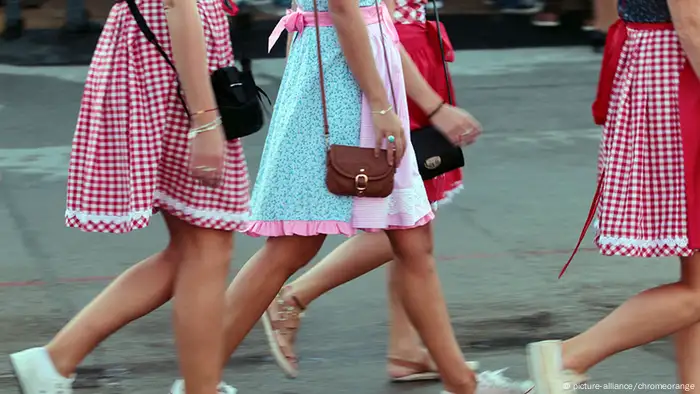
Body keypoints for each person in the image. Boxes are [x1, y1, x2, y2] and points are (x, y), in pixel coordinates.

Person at [179, 0, 526, 392]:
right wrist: (382, 106)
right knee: (294, 247)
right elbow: (346, 13)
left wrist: (431, 106)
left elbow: (371, 22)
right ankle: (197, 385)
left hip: (345, 79)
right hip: (343, 90)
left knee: (410, 242)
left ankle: (463, 383)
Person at [8, 0, 248, 393]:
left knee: (196, 245)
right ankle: (199, 389)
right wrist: (205, 119)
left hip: (162, 56)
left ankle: (53, 361)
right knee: (207, 243)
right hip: (171, 60)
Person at [255, 0, 488, 384]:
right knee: (406, 226)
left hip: (396, 47)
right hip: (383, 52)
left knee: (411, 228)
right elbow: (349, 13)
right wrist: (422, 105)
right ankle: (290, 299)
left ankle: (408, 349)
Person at [527, 0, 700, 392]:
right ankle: (568, 357)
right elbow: (690, 24)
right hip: (679, 76)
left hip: (666, 69)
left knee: (695, 278)